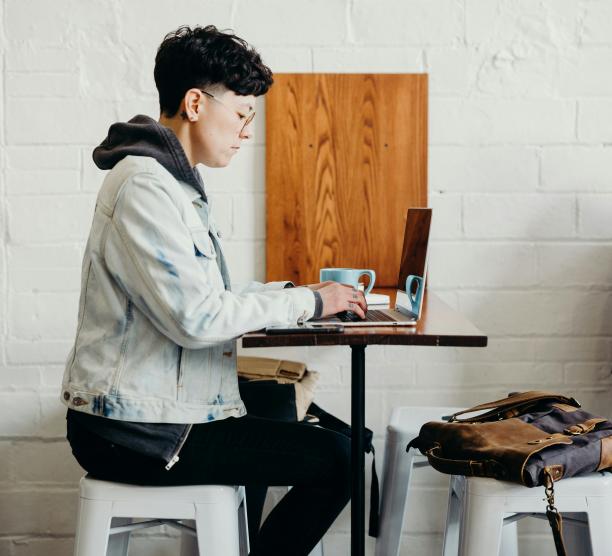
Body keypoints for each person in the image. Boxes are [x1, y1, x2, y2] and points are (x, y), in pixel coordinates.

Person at [60, 25, 367, 556]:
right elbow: (198, 318)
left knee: (308, 421)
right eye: (244, 112)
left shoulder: (171, 184)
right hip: (134, 431)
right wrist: (311, 302)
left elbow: (209, 293)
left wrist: (300, 293)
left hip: (157, 411)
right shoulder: (145, 187)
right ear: (196, 103)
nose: (248, 130)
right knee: (340, 460)